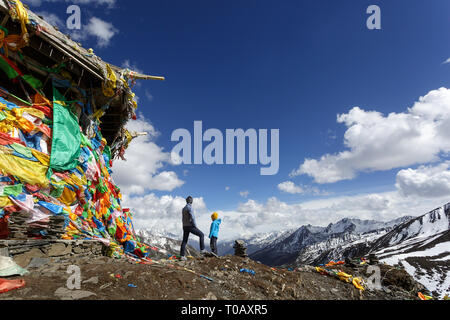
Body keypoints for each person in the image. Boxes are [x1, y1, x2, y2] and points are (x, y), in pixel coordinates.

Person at [180, 196, 206, 260]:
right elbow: (193, 217)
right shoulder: (190, 208)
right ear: (191, 201)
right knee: (201, 235)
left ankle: (182, 256)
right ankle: (202, 250)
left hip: (184, 226)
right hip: (190, 226)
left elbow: (183, 218)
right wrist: (195, 226)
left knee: (184, 241)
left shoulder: (183, 209)